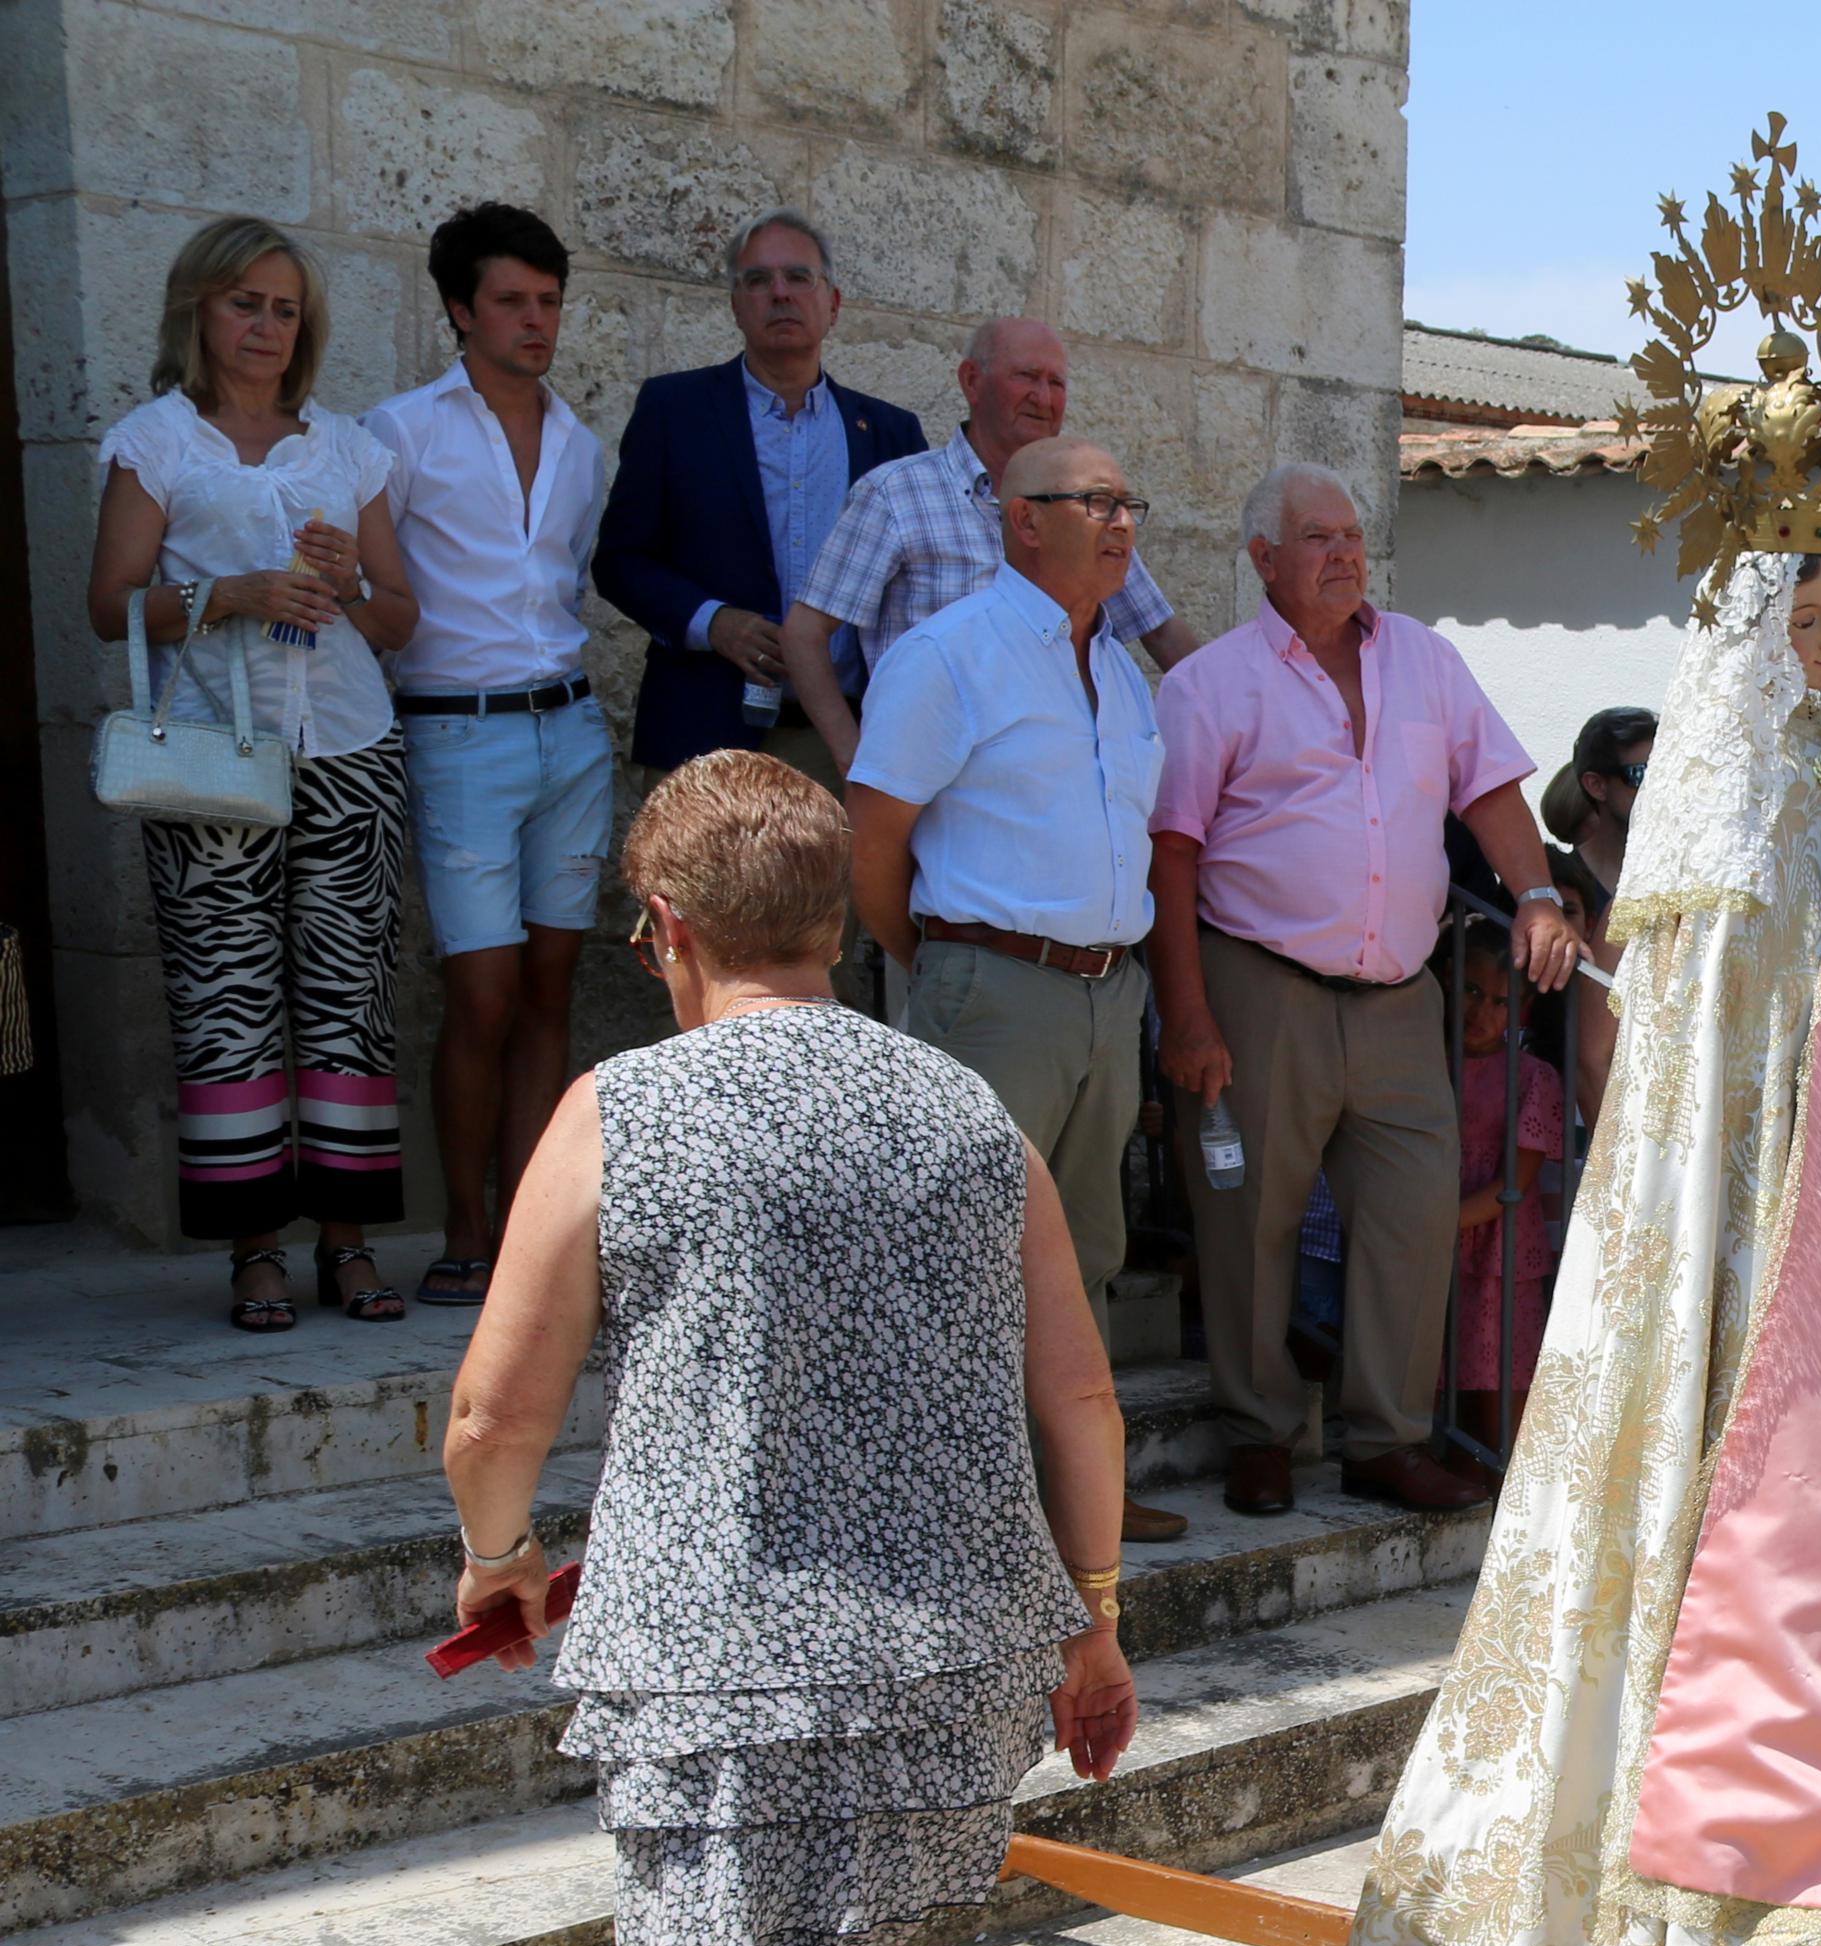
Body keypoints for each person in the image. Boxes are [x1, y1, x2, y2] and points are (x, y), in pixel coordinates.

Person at [439, 749, 1138, 1946]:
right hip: (949, 1627)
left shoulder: (625, 1107)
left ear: (661, 927)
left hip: (738, 1636)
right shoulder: (962, 1112)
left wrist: (498, 1557)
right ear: (832, 916)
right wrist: (1100, 1608)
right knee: (762, 1935)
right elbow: (1078, 1392)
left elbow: (490, 1409)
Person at [1327, 548, 1821, 1946]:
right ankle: (1683, 1797)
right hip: (1732, 1188)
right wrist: (1810, 1033)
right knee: (1712, 1460)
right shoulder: (1718, 782)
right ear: (1736, 637)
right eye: (1799, 624)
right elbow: (1705, 1006)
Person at [1143, 462, 1567, 1519]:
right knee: (1249, 1220)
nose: (1342, 553)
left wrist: (1539, 895)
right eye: (1316, 537)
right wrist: (1186, 1012)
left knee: (1411, 1218)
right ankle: (1261, 1431)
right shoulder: (1208, 684)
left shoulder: (1425, 659)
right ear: (1262, 561)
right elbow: (1172, 854)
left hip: (1395, 993)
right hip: (1259, 982)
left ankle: (1386, 1437)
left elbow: (1492, 792)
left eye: (1352, 535)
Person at [843, 437, 1188, 1542]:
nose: (1121, 522)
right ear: (1020, 518)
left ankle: (1072, 1488)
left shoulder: (1121, 672)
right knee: (962, 1249)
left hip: (1104, 993)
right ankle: (950, 1500)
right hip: (992, 987)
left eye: (1128, 499)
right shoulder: (948, 654)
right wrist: (943, 966)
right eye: (1095, 502)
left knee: (1083, 1248)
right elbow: (873, 838)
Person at [83, 216, 422, 1326]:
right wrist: (230, 594)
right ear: (199, 312)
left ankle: (349, 1242)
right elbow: (106, 607)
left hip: (349, 748)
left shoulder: (347, 446)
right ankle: (254, 1251)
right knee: (227, 999)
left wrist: (347, 586)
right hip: (216, 750)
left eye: (285, 308)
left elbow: (400, 618)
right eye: (245, 304)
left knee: (350, 997)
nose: (267, 325)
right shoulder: (157, 442)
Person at [367, 203, 613, 1309]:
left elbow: (564, 583)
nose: (534, 321)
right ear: (458, 310)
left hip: (570, 729)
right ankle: (463, 1227)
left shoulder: (578, 441)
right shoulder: (399, 431)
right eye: (510, 301)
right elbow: (377, 591)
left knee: (553, 982)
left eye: (549, 301)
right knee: (480, 991)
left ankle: (530, 1231)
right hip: (456, 731)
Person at [593, 213, 927, 794]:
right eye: (757, 280)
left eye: (799, 276)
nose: (779, 293)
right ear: (734, 304)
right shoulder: (674, 412)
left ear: (833, 303)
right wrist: (711, 622)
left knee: (842, 892)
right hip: (706, 737)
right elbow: (620, 561)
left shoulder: (891, 435)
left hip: (847, 742)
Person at [784, 317, 1199, 766]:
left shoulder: (1083, 508)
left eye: (1056, 383)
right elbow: (805, 633)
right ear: (971, 382)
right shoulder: (897, 494)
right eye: (1026, 377)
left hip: (1059, 787)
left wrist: (1246, 722)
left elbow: (1160, 632)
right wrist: (856, 763)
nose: (1043, 398)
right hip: (934, 788)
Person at [1449, 925, 1570, 1455]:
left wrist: (1432, 1222)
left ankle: (1503, 1516)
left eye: (1502, 1001)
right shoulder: (1422, 1061)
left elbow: (1513, 1184)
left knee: (1502, 1397)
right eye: (1472, 991)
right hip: (1433, 1246)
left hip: (1500, 1251)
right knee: (1433, 1384)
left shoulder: (1533, 1077)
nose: (1483, 1012)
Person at [1538, 704, 1653, 1120]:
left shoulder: (1679, 887)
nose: (1660, 789)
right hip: (1566, 1125)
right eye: (1641, 776)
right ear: (1596, 785)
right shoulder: (1556, 889)